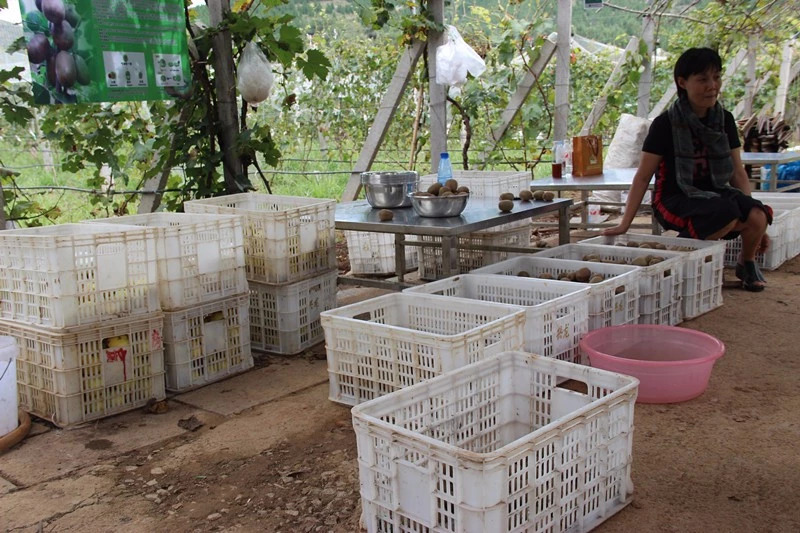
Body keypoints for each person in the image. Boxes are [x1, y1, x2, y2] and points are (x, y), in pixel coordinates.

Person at [604, 47, 772, 292]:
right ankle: (678, 259)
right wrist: (624, 223)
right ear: (682, 83)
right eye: (703, 79)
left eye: (716, 77)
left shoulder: (724, 120)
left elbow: (737, 173)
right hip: (673, 198)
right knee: (725, 213)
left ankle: (745, 263)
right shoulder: (665, 124)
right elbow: (643, 177)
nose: (712, 85)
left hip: (716, 194)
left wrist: (757, 226)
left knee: (757, 213)